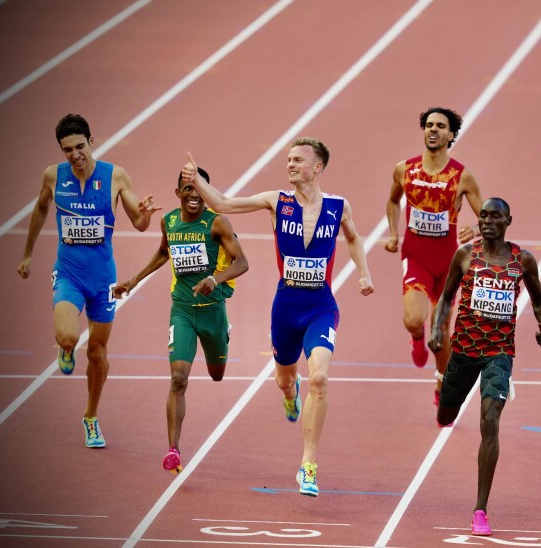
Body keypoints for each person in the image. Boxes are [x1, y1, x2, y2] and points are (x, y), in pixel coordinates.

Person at [187, 139, 374, 497]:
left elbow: (353, 239)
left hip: (321, 306)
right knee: (285, 379)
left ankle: (308, 466)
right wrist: (197, 180)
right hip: (285, 307)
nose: (289, 165)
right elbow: (224, 203)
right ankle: (291, 394)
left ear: (316, 167)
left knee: (319, 377)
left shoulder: (338, 206)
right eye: (287, 159)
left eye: (297, 160)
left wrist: (363, 272)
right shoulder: (276, 201)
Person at [16, 113, 160, 448]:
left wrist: (145, 215)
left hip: (102, 279)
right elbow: (39, 209)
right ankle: (66, 350)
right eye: (68, 149)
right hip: (68, 273)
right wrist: (27, 254)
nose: (75, 154)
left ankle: (91, 417)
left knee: (97, 352)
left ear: (91, 141)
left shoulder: (115, 176)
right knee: (68, 336)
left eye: (80, 146)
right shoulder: (53, 176)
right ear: (61, 150)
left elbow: (137, 223)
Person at [113, 166, 248, 474]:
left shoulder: (218, 223)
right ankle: (173, 449)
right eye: (187, 189)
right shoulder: (169, 222)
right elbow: (164, 253)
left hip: (213, 310)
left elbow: (243, 262)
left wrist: (215, 279)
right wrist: (132, 281)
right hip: (183, 310)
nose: (193, 196)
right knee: (178, 379)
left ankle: (222, 335)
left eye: (199, 190)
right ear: (178, 194)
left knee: (216, 375)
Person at [430, 197, 541, 537]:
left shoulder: (522, 260)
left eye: (494, 216)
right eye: (482, 215)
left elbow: (538, 299)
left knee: (490, 420)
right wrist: (437, 328)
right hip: (464, 351)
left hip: (499, 352)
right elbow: (446, 296)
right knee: (445, 416)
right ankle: (442, 387)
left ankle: (480, 509)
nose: (487, 221)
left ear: (507, 221)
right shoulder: (465, 255)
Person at [385, 107, 483, 406]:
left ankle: (442, 385)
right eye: (429, 124)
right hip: (416, 256)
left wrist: (476, 228)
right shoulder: (405, 169)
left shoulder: (462, 176)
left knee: (440, 334)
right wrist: (393, 232)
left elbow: (489, 216)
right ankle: (416, 338)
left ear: (451, 135)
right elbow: (392, 200)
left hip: (449, 264)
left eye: (441, 126)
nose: (433, 129)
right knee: (415, 320)